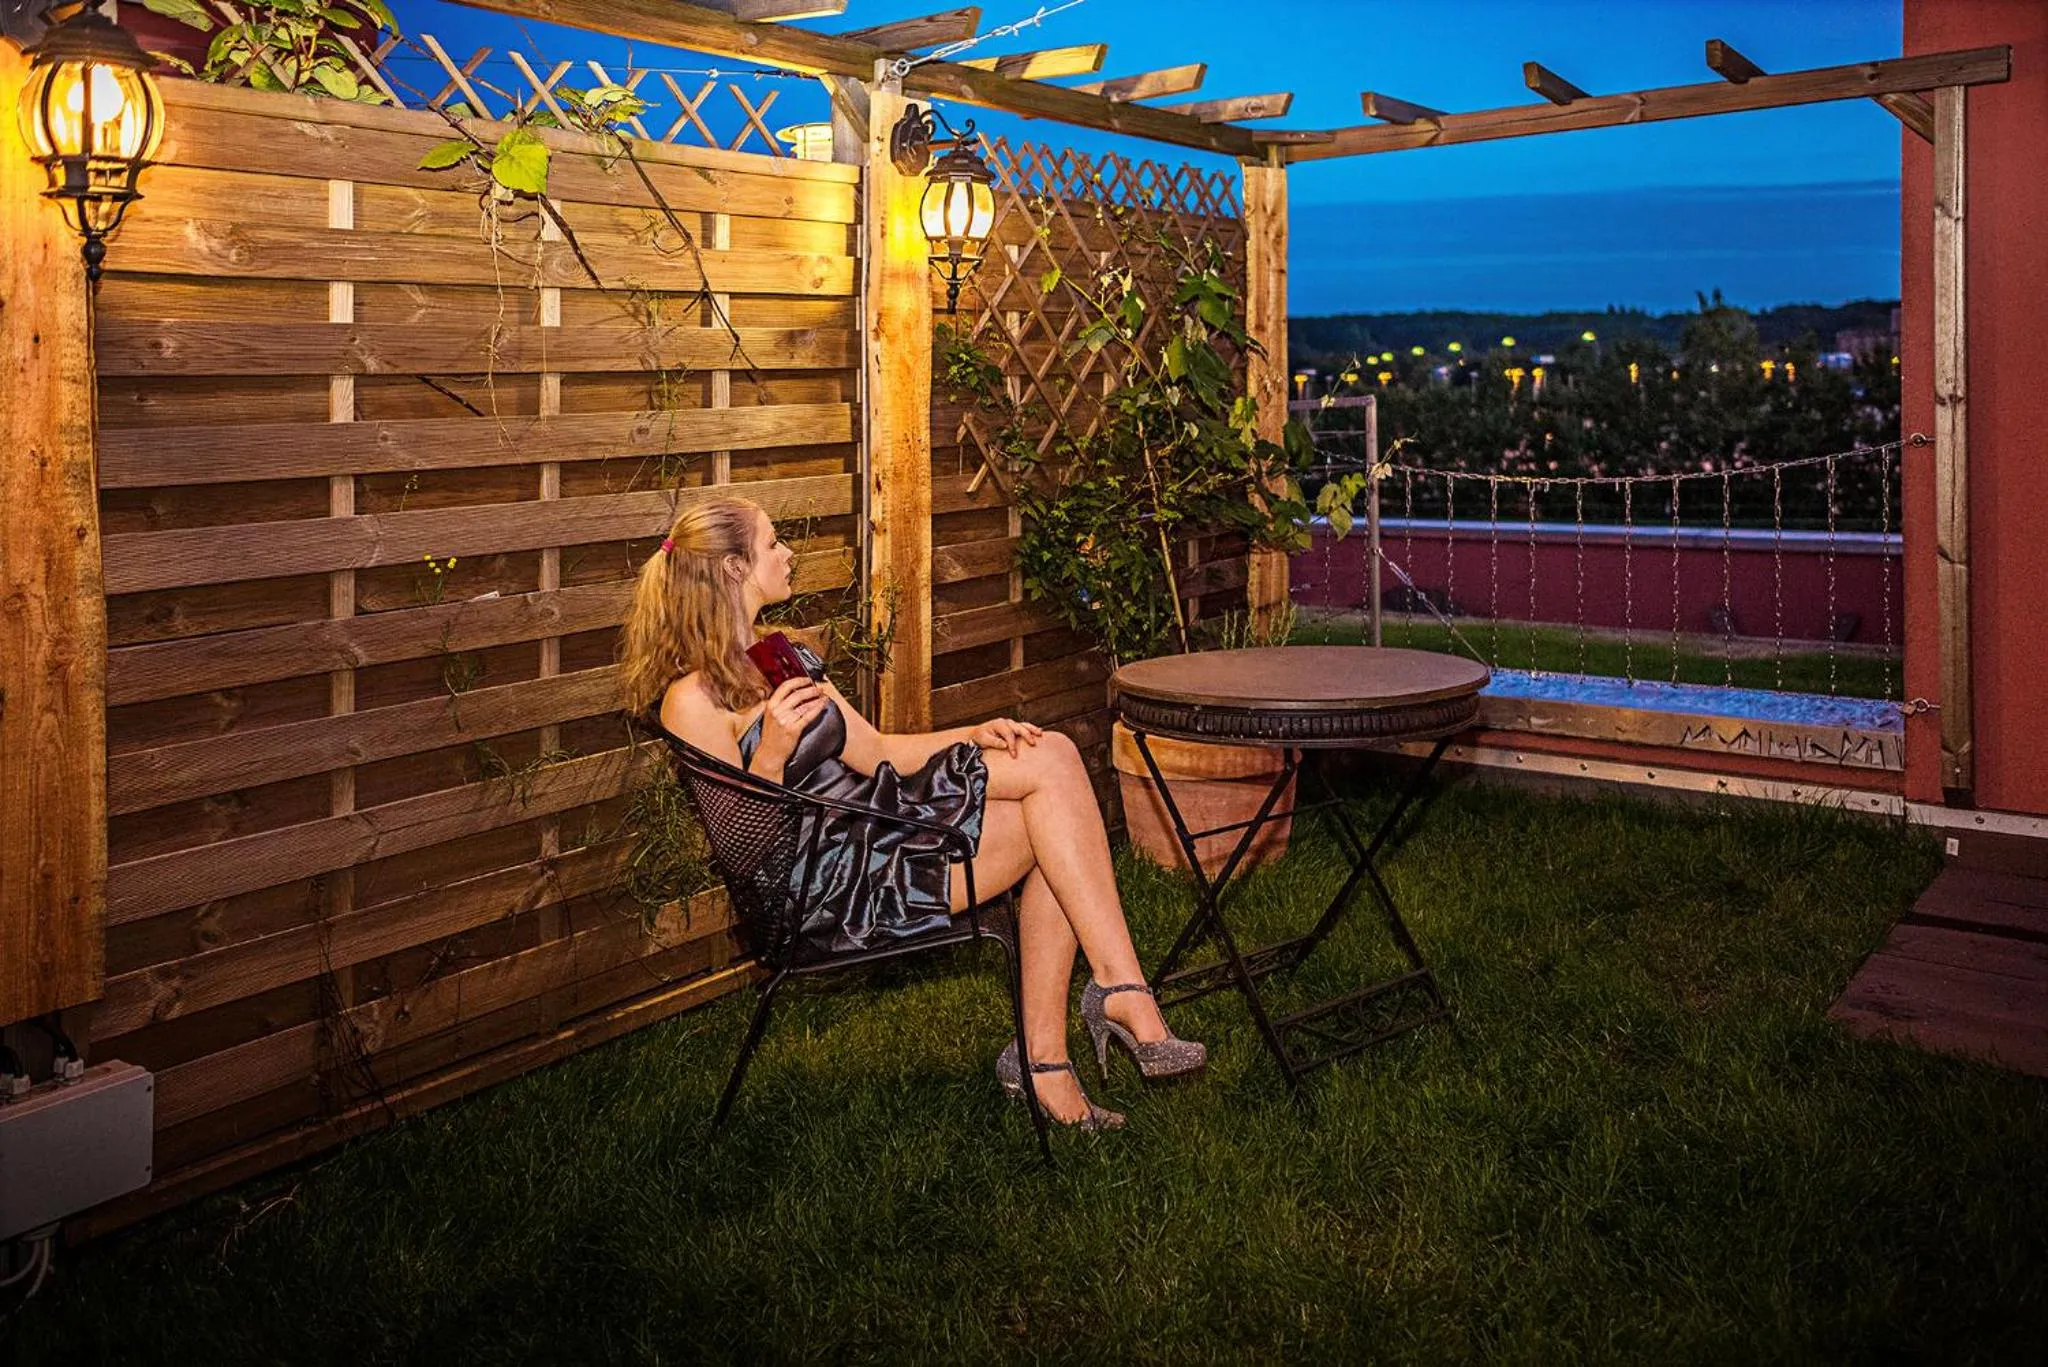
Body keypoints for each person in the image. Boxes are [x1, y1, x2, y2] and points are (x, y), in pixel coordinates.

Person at [619, 496, 1204, 1131]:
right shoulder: (691, 701)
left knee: (1050, 752)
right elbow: (745, 853)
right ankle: (1076, 1035)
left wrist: (977, 731)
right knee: (1050, 817)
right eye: (772, 544)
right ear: (733, 569)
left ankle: (1103, 1005)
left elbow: (877, 751)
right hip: (821, 889)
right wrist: (775, 754)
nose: (788, 554)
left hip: (874, 835)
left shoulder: (779, 656)